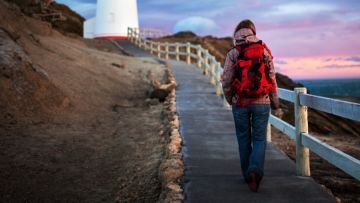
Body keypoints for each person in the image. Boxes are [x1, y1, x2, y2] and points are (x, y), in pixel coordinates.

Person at [221, 19, 281, 192]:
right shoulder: (263, 50)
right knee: (260, 139)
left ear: (237, 32)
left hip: (239, 102)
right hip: (262, 101)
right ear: (253, 32)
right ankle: (255, 170)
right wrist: (275, 101)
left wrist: (229, 98)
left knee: (243, 139)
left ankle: (248, 175)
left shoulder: (233, 52)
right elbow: (271, 78)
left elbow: (226, 80)